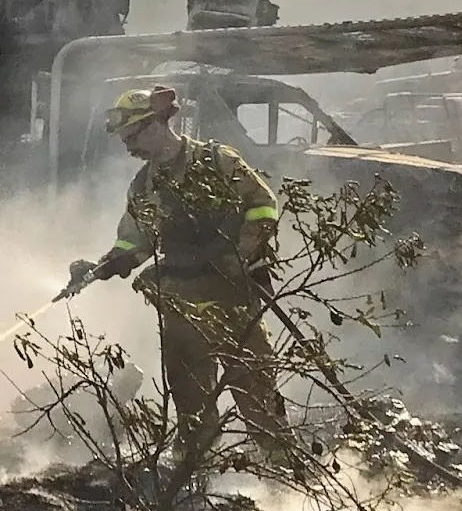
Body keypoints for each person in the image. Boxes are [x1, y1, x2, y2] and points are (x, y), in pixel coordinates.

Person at [69, 86, 295, 472]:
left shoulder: (216, 160)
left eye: (132, 138)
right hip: (179, 305)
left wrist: (240, 255)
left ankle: (282, 471)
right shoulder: (144, 186)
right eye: (125, 142)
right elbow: (134, 241)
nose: (129, 149)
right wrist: (102, 265)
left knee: (253, 385)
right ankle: (194, 480)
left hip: (232, 296)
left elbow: (262, 206)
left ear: (155, 124)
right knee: (189, 396)